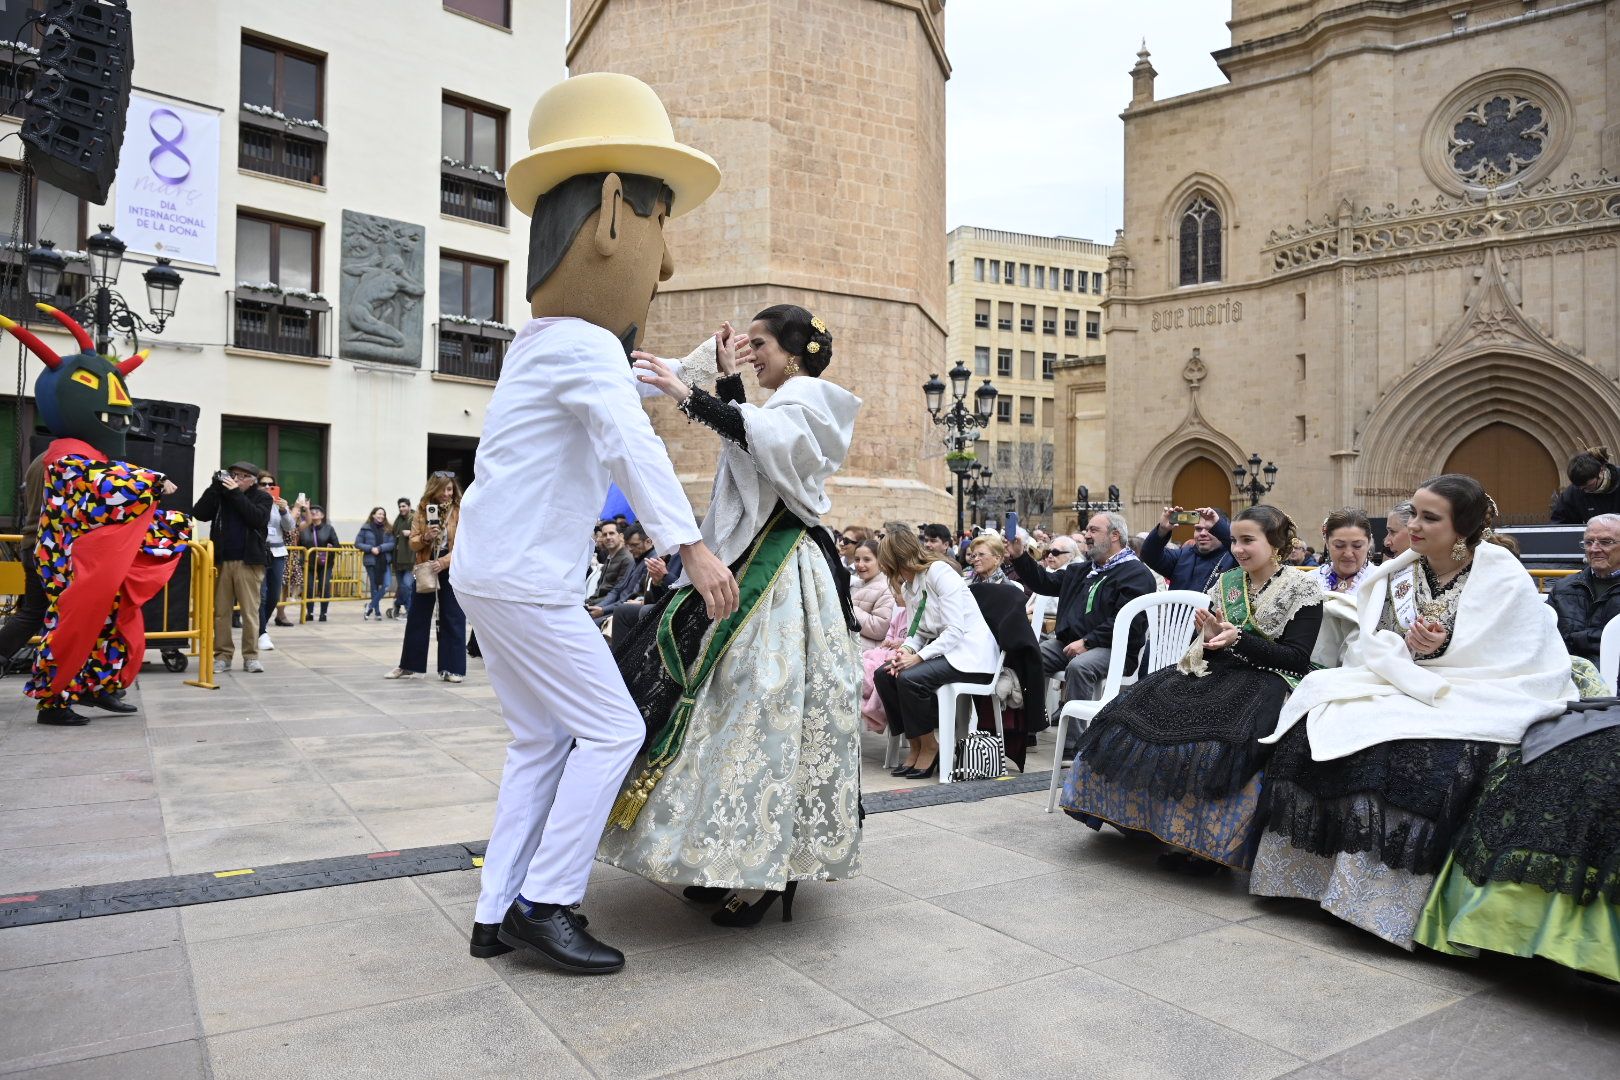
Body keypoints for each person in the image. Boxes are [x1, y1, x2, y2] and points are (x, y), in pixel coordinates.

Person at [454, 72, 738, 975]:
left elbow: (623, 403)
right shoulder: (580, 345)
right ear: (614, 216)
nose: (668, 266)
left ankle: (496, 910)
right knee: (612, 731)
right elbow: (629, 441)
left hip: (491, 570)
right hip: (528, 577)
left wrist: (691, 369)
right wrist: (689, 546)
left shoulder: (542, 345)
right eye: (663, 225)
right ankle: (549, 900)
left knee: (541, 738)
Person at [598, 304, 863, 925]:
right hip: (757, 563)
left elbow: (764, 440)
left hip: (784, 571)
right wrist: (723, 383)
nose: (753, 353)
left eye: (761, 344)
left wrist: (688, 392)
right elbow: (750, 446)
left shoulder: (809, 403)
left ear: (795, 354)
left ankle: (767, 871)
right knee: (728, 712)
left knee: (763, 709)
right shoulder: (780, 406)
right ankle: (727, 857)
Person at [1250, 474, 1576, 949]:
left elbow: (1517, 647)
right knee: (1317, 715)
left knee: (1416, 753)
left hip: (1482, 685)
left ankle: (1386, 905)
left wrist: (1449, 646)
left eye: (1429, 518)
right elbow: (1373, 638)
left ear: (1462, 526)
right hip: (1402, 678)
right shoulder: (1401, 570)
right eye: (1414, 516)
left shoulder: (1499, 570)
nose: (1413, 526)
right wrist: (1407, 647)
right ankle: (1312, 880)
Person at [1062, 506, 1322, 873]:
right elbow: (1203, 643)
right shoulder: (1229, 582)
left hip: (1269, 679)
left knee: (1213, 745)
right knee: (1127, 716)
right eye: (1234, 541)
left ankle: (1202, 846)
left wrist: (1239, 640)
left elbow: (1296, 658)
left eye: (1248, 541)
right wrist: (1212, 637)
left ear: (1276, 543)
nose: (1239, 550)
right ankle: (1144, 824)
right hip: (1216, 669)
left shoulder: (1303, 586)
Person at [0, 308, 189, 723]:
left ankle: (101, 687)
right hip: (63, 559)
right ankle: (54, 700)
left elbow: (104, 488)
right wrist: (152, 481)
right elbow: (96, 485)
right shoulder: (66, 456)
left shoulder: (86, 455)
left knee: (108, 625)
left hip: (85, 560)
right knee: (71, 624)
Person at [1010, 512, 1157, 735]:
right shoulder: (1083, 570)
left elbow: (1127, 623)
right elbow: (1044, 582)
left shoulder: (1136, 573)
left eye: (1093, 530)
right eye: (1087, 530)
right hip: (1070, 643)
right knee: (1032, 656)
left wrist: (1087, 642)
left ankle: (1074, 744)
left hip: (1114, 649)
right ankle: (1028, 729)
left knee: (1080, 666)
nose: (1087, 535)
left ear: (1115, 535)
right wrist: (1020, 556)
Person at [872, 523, 999, 779]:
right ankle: (917, 743)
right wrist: (905, 651)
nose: (884, 568)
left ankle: (930, 745)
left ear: (897, 559)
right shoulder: (909, 586)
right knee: (885, 674)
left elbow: (955, 630)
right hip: (945, 652)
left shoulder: (939, 572)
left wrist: (917, 658)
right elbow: (918, 630)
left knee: (910, 678)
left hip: (970, 655)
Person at [195, 460, 273, 674]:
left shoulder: (262, 497)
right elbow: (200, 513)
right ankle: (222, 656)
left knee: (250, 612)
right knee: (221, 612)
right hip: (221, 560)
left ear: (251, 480)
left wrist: (236, 494)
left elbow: (257, 519)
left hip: (248, 562)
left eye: (241, 476)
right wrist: (214, 487)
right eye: (233, 474)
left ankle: (251, 657)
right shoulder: (221, 494)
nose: (235, 479)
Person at [388, 475, 466, 681]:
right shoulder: (422, 511)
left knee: (453, 616)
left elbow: (466, 544)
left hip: (451, 567)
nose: (446, 494)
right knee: (417, 616)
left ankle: (452, 668)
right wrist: (426, 537)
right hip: (426, 566)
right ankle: (409, 666)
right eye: (442, 490)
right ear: (433, 489)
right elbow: (413, 543)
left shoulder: (461, 510)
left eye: (450, 490)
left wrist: (445, 562)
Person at [1545, 512, 1620, 665]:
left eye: (1605, 542)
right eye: (1588, 542)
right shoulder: (1563, 588)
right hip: (1566, 674)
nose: (1594, 549)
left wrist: (1578, 638)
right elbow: (1545, 634)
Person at [1140, 505, 1235, 593]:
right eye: (1198, 529)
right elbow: (1149, 555)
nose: (1202, 533)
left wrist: (1220, 526)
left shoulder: (1235, 558)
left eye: (1209, 529)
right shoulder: (1182, 556)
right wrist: (1162, 529)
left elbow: (1238, 547)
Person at [256, 473, 296, 651]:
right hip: (258, 551)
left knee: (274, 594)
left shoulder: (279, 503)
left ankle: (258, 626)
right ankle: (262, 632)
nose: (266, 487)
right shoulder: (253, 501)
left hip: (278, 551)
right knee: (262, 594)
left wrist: (284, 510)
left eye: (270, 484)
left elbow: (289, 527)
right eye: (263, 484)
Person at [590, 523, 651, 626]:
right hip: (613, 605)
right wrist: (600, 607)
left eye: (635, 545)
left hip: (623, 609)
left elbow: (631, 595)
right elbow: (618, 589)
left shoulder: (648, 561)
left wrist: (603, 610)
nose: (631, 549)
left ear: (649, 542)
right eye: (605, 534)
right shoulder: (634, 559)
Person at [1549, 447, 1620, 524]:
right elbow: (1560, 524)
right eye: (1581, 488)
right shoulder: (1574, 492)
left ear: (1601, 471)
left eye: (1589, 486)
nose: (1585, 491)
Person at [849, 538, 895, 650]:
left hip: (866, 653)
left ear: (880, 561)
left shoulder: (886, 588)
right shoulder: (855, 584)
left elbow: (879, 628)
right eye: (857, 559)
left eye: (867, 560)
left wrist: (849, 609)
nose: (860, 564)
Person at [1315, 507, 1373, 594]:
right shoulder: (1310, 581)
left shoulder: (1381, 581)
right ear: (1327, 543)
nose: (1348, 554)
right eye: (1339, 546)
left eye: (1357, 546)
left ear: (1369, 543)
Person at [298, 506, 341, 622]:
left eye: (317, 512)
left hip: (325, 562)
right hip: (308, 562)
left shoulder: (328, 528)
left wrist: (331, 547)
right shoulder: (304, 528)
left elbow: (337, 545)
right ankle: (309, 612)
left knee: (324, 585)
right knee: (309, 586)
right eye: (311, 512)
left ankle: (323, 613)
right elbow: (298, 544)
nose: (313, 513)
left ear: (322, 516)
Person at [356, 507, 396, 620]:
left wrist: (380, 548)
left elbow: (392, 543)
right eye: (379, 514)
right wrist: (370, 548)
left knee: (386, 585)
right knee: (374, 588)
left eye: (383, 514)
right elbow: (358, 543)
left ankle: (370, 606)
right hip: (371, 561)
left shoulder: (388, 529)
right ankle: (377, 612)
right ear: (373, 515)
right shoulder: (365, 528)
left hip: (384, 560)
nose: (381, 516)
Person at [586, 521, 632, 609]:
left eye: (611, 533)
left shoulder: (627, 559)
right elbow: (600, 589)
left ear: (621, 536)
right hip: (597, 602)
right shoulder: (609, 557)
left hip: (608, 606)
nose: (608, 537)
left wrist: (593, 605)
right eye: (604, 534)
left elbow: (617, 592)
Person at [388, 497, 415, 619]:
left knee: (406, 585)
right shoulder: (398, 520)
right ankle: (398, 605)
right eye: (400, 506)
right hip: (398, 559)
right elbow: (393, 534)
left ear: (409, 506)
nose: (401, 509)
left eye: (404, 506)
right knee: (402, 587)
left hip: (411, 559)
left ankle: (408, 610)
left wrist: (411, 533)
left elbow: (422, 533)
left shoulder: (414, 518)